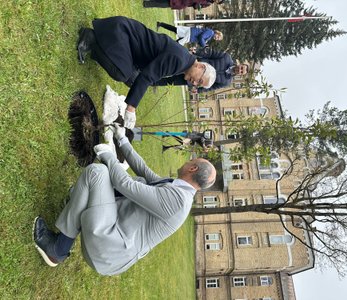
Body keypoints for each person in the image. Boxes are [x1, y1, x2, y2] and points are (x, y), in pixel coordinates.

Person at [33, 124, 217, 276]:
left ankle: (57, 249)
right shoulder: (180, 191)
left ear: (193, 169)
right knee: (140, 180)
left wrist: (108, 156)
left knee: (97, 173)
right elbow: (145, 171)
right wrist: (122, 140)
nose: (187, 160)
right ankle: (76, 207)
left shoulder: (177, 201)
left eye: (192, 160)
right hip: (113, 240)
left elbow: (125, 185)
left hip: (109, 247)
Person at [76, 16, 216, 130]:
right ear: (200, 67)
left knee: (132, 79)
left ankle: (99, 46)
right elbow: (147, 76)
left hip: (126, 39)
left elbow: (153, 78)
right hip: (122, 33)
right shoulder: (179, 60)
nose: (195, 83)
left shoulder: (185, 62)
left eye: (199, 85)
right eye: (199, 80)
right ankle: (91, 39)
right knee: (122, 74)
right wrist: (131, 108)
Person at [153, 47, 249, 93]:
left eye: (241, 72)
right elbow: (210, 54)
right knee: (172, 67)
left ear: (240, 75)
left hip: (193, 81)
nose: (239, 70)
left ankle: (153, 82)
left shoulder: (227, 82)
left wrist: (198, 91)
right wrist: (197, 51)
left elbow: (211, 87)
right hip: (194, 67)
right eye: (241, 68)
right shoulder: (226, 57)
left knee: (171, 81)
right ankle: (153, 68)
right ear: (240, 64)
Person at [156, 22, 223, 48]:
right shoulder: (211, 33)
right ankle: (163, 45)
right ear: (217, 33)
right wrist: (204, 45)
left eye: (218, 39)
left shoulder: (210, 36)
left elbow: (200, 40)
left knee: (175, 30)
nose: (216, 38)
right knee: (176, 44)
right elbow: (201, 37)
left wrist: (203, 45)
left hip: (191, 33)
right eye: (218, 37)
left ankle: (160, 24)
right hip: (191, 35)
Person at [143, 0, 223, 10]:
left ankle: (146, 4)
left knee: (164, 4)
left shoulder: (208, 4)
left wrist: (198, 6)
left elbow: (196, 7)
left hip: (183, 3)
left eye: (218, 1)